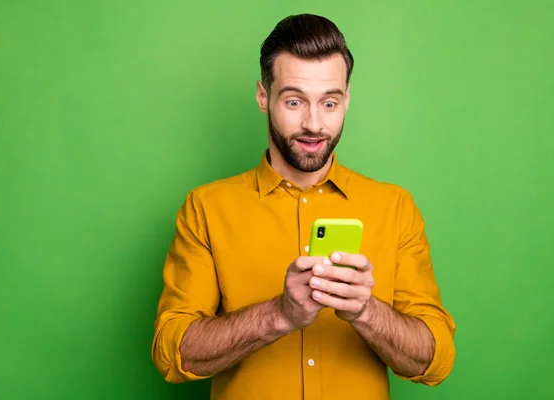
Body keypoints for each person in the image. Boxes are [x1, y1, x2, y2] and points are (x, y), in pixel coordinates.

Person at [151, 13, 456, 400]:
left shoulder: (394, 206)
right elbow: (172, 353)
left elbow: (436, 360)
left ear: (346, 100)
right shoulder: (205, 208)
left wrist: (366, 311)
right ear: (264, 97)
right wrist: (280, 314)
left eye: (329, 102)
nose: (314, 124)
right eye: (294, 101)